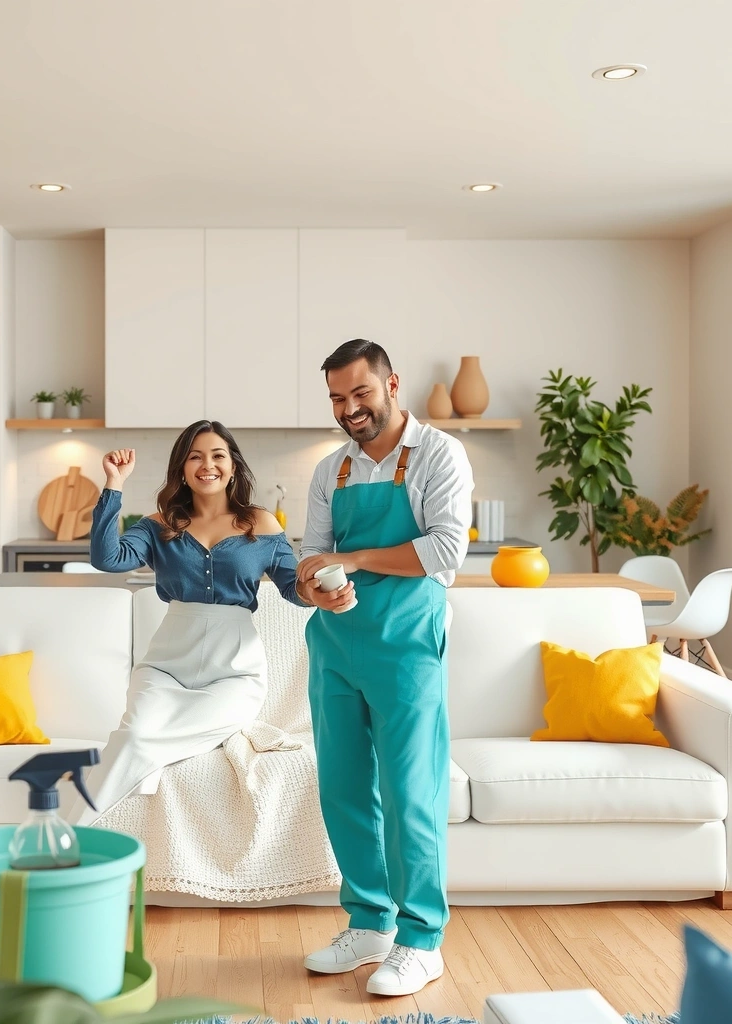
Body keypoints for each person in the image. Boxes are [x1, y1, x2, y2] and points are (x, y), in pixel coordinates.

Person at [295, 339, 474, 997]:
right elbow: (311, 559)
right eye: (338, 399)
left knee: (410, 793)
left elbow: (446, 549)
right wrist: (317, 587)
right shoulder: (330, 471)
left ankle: (421, 939)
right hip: (337, 646)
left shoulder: (439, 454)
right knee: (343, 789)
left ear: (391, 383)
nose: (349, 409)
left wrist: (361, 561)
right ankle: (369, 924)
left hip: (405, 643)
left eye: (359, 393)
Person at [71, 419, 305, 824]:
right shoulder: (159, 524)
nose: (207, 465)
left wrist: (322, 591)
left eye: (217, 455)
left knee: (139, 744)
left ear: (233, 465)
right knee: (137, 735)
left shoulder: (261, 522)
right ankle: (64, 839)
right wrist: (113, 485)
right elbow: (108, 559)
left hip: (235, 674)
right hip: (166, 668)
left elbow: (292, 588)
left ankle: (67, 837)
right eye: (194, 456)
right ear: (181, 467)